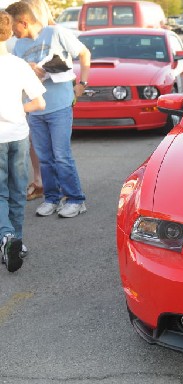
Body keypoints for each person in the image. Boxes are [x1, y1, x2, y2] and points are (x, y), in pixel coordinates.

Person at [6, 1, 90, 218]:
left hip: (59, 105)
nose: (11, 31)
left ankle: (75, 199)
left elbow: (84, 53)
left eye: (13, 25)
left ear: (23, 22)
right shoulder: (18, 46)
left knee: (62, 155)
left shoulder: (55, 33)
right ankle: (51, 198)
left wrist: (83, 84)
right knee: (44, 157)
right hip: (35, 110)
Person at [0, 10, 46, 272]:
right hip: (18, 135)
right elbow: (40, 102)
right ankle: (16, 239)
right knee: (17, 191)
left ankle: (6, 237)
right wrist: (18, 110)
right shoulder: (18, 65)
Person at [22, 0, 55, 202]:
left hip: (53, 96)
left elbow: (68, 62)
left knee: (55, 146)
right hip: (29, 95)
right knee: (34, 142)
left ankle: (55, 185)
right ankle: (39, 180)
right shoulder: (20, 37)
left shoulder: (53, 33)